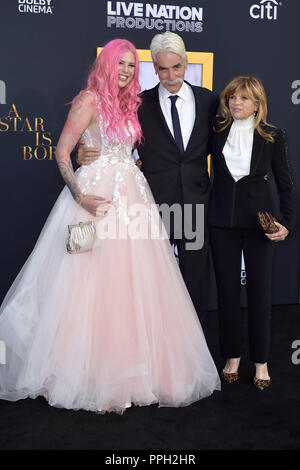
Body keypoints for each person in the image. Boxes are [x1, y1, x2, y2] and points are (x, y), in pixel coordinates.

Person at [0, 39, 220, 414]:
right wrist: (79, 196)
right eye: (120, 64)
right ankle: (81, 371)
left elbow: (134, 150)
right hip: (94, 201)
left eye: (132, 66)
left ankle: (135, 370)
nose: (125, 71)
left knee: (131, 284)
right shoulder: (88, 99)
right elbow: (62, 151)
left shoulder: (133, 104)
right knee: (84, 283)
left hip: (134, 198)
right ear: (106, 64)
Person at [77, 32, 219, 323]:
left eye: (176, 67)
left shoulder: (208, 101)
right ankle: (157, 348)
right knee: (152, 283)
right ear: (153, 67)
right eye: (163, 69)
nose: (170, 75)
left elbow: (223, 147)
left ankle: (194, 354)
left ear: (186, 63)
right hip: (152, 206)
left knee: (195, 281)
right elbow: (109, 134)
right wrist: (83, 150)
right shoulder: (137, 104)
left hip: (195, 204)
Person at [209, 76, 295, 390]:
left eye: (244, 98)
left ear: (257, 103)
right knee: (228, 294)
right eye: (232, 97)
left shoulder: (273, 136)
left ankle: (261, 361)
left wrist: (287, 221)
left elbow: (285, 183)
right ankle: (231, 357)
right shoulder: (215, 132)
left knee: (260, 294)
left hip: (260, 225)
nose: (236, 103)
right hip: (221, 223)